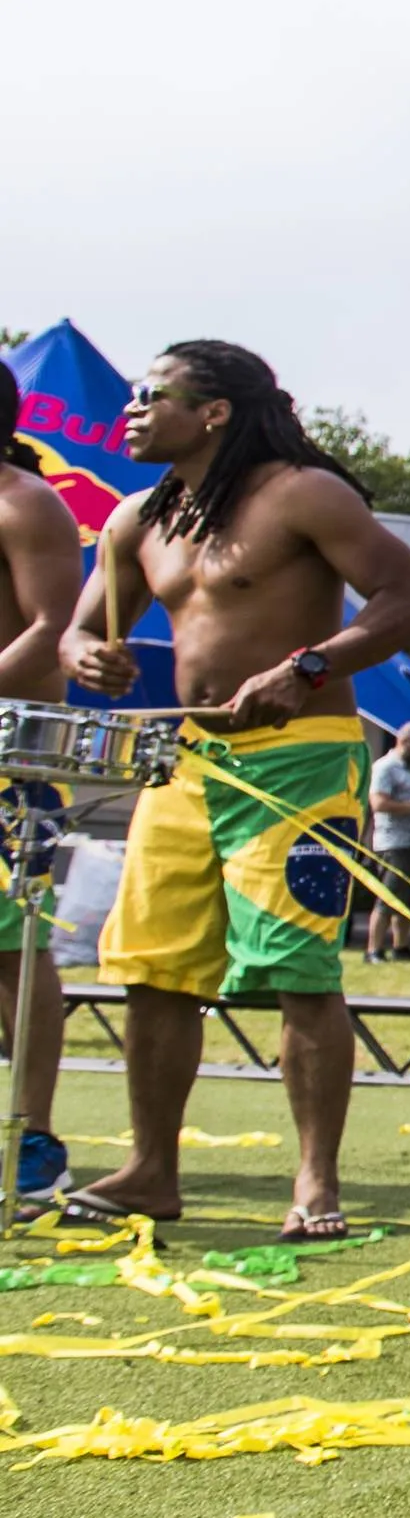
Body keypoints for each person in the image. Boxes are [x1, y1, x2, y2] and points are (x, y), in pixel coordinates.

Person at [57, 343, 410, 1240]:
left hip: (302, 756)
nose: (131, 409)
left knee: (298, 974)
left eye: (152, 395)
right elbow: (79, 632)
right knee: (153, 972)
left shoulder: (302, 493)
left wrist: (309, 666)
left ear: (215, 410)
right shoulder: (135, 520)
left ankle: (316, 1183)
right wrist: (89, 656)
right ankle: (152, 1170)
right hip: (186, 762)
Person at [2, 435, 85, 1208]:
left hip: (10, 759)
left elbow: (50, 630)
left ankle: (32, 1139)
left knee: (12, 952)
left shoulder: (24, 502)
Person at [362, 722, 410, 961]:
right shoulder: (386, 768)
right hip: (393, 842)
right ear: (404, 742)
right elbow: (378, 804)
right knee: (389, 895)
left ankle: (401, 947)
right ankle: (373, 950)